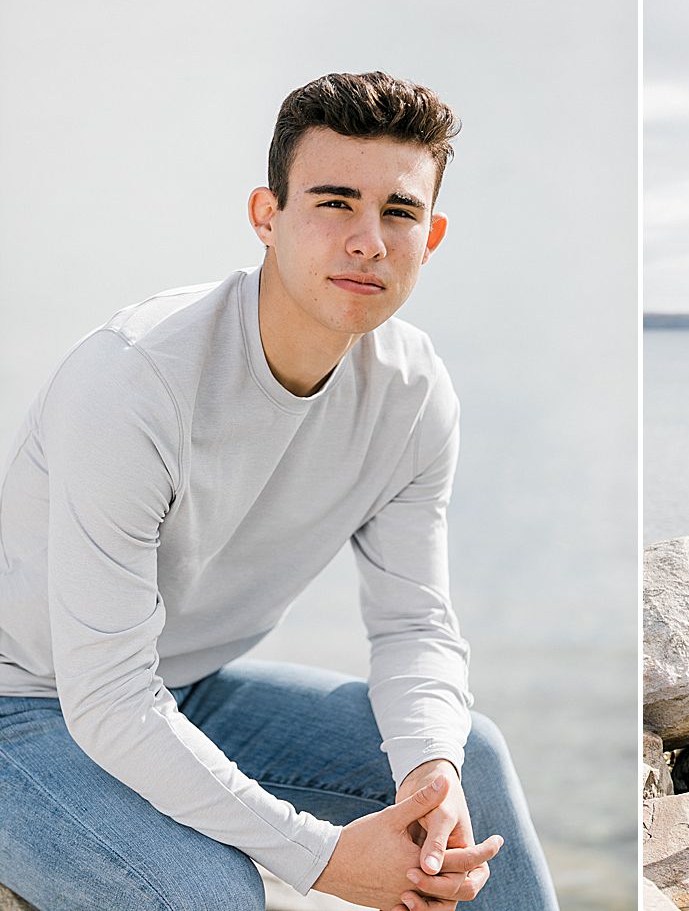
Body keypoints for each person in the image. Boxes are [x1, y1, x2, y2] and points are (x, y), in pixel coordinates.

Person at [0, 71, 559, 911]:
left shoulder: (411, 394)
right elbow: (108, 697)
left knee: (465, 756)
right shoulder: (135, 381)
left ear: (431, 234)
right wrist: (323, 858)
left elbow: (414, 625)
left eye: (398, 212)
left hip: (185, 689)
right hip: (21, 703)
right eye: (335, 202)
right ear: (268, 216)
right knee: (212, 893)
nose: (369, 239)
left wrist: (429, 771)